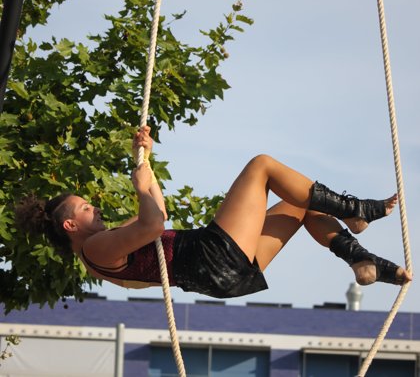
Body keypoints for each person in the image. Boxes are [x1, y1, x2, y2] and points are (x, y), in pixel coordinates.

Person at [15, 127, 412, 299]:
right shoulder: (95, 249)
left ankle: (361, 259)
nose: (96, 207)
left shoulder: (102, 249)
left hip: (220, 276)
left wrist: (144, 160)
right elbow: (154, 223)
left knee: (299, 202)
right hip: (207, 257)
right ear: (70, 224)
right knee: (262, 165)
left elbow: (158, 212)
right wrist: (139, 186)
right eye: (86, 207)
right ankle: (356, 210)